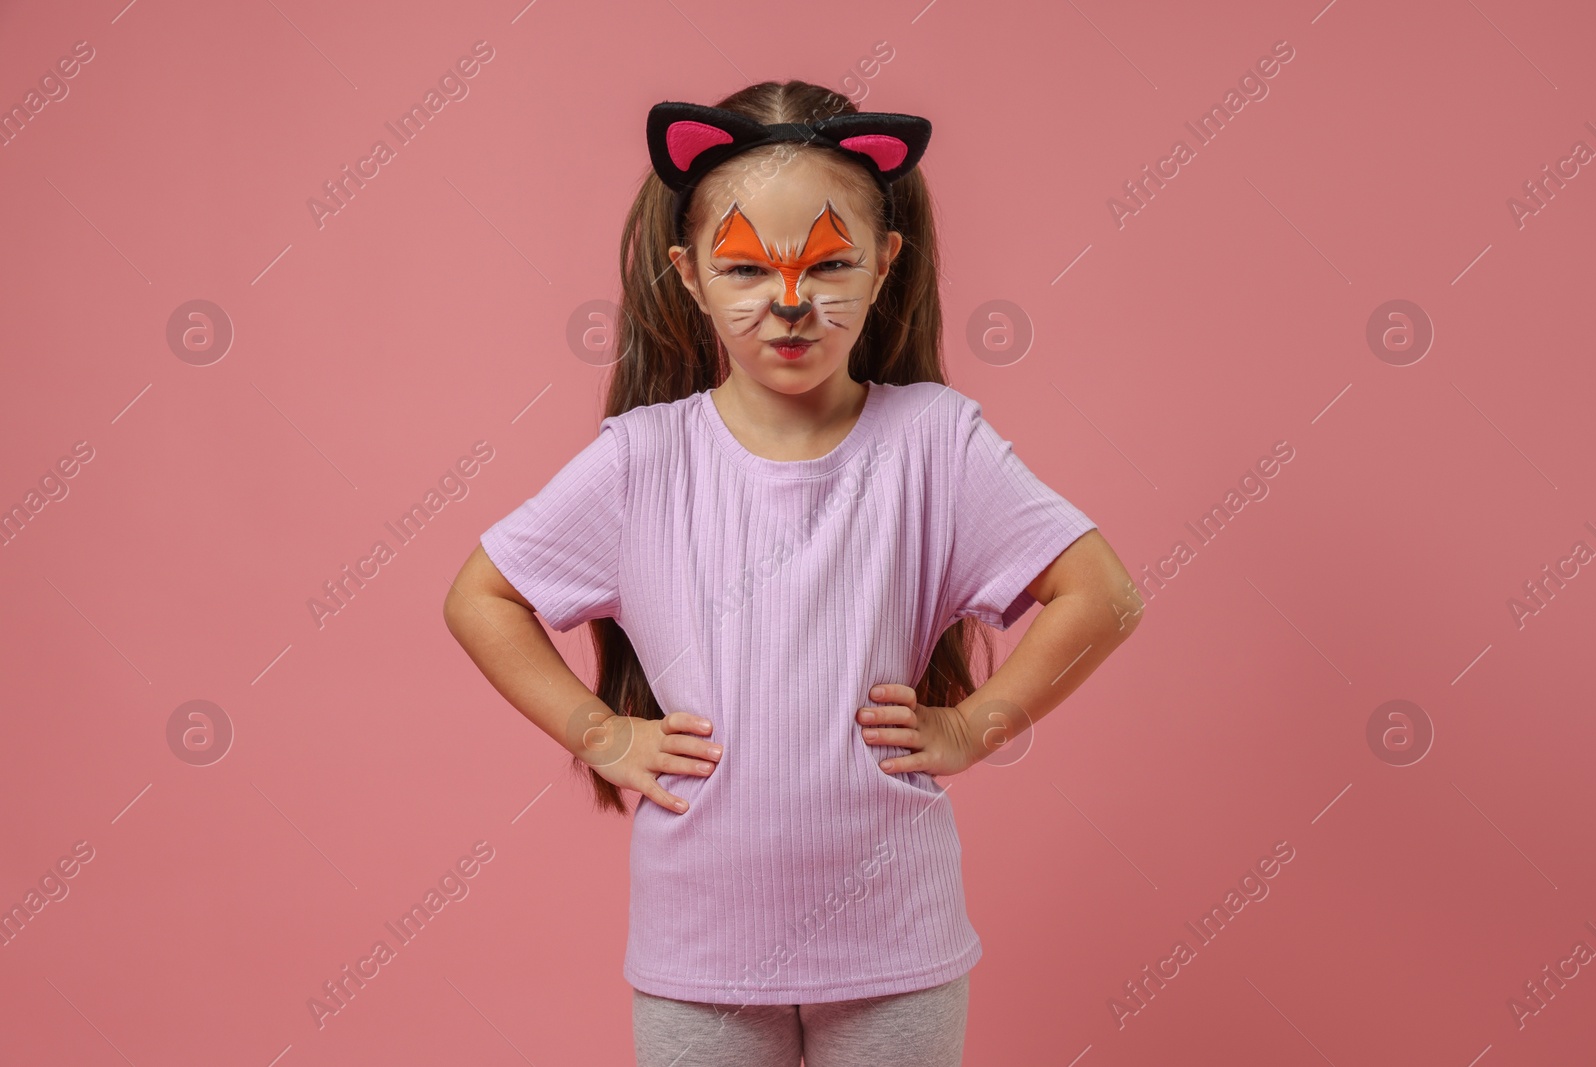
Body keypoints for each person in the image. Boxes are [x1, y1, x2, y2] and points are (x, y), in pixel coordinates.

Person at [443, 79, 1144, 1067]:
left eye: (828, 265)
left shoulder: (935, 443)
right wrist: (598, 733)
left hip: (896, 950)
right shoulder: (643, 459)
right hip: (702, 957)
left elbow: (1104, 592)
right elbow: (482, 594)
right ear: (687, 276)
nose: (787, 301)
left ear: (885, 263)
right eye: (742, 267)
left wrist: (972, 725)